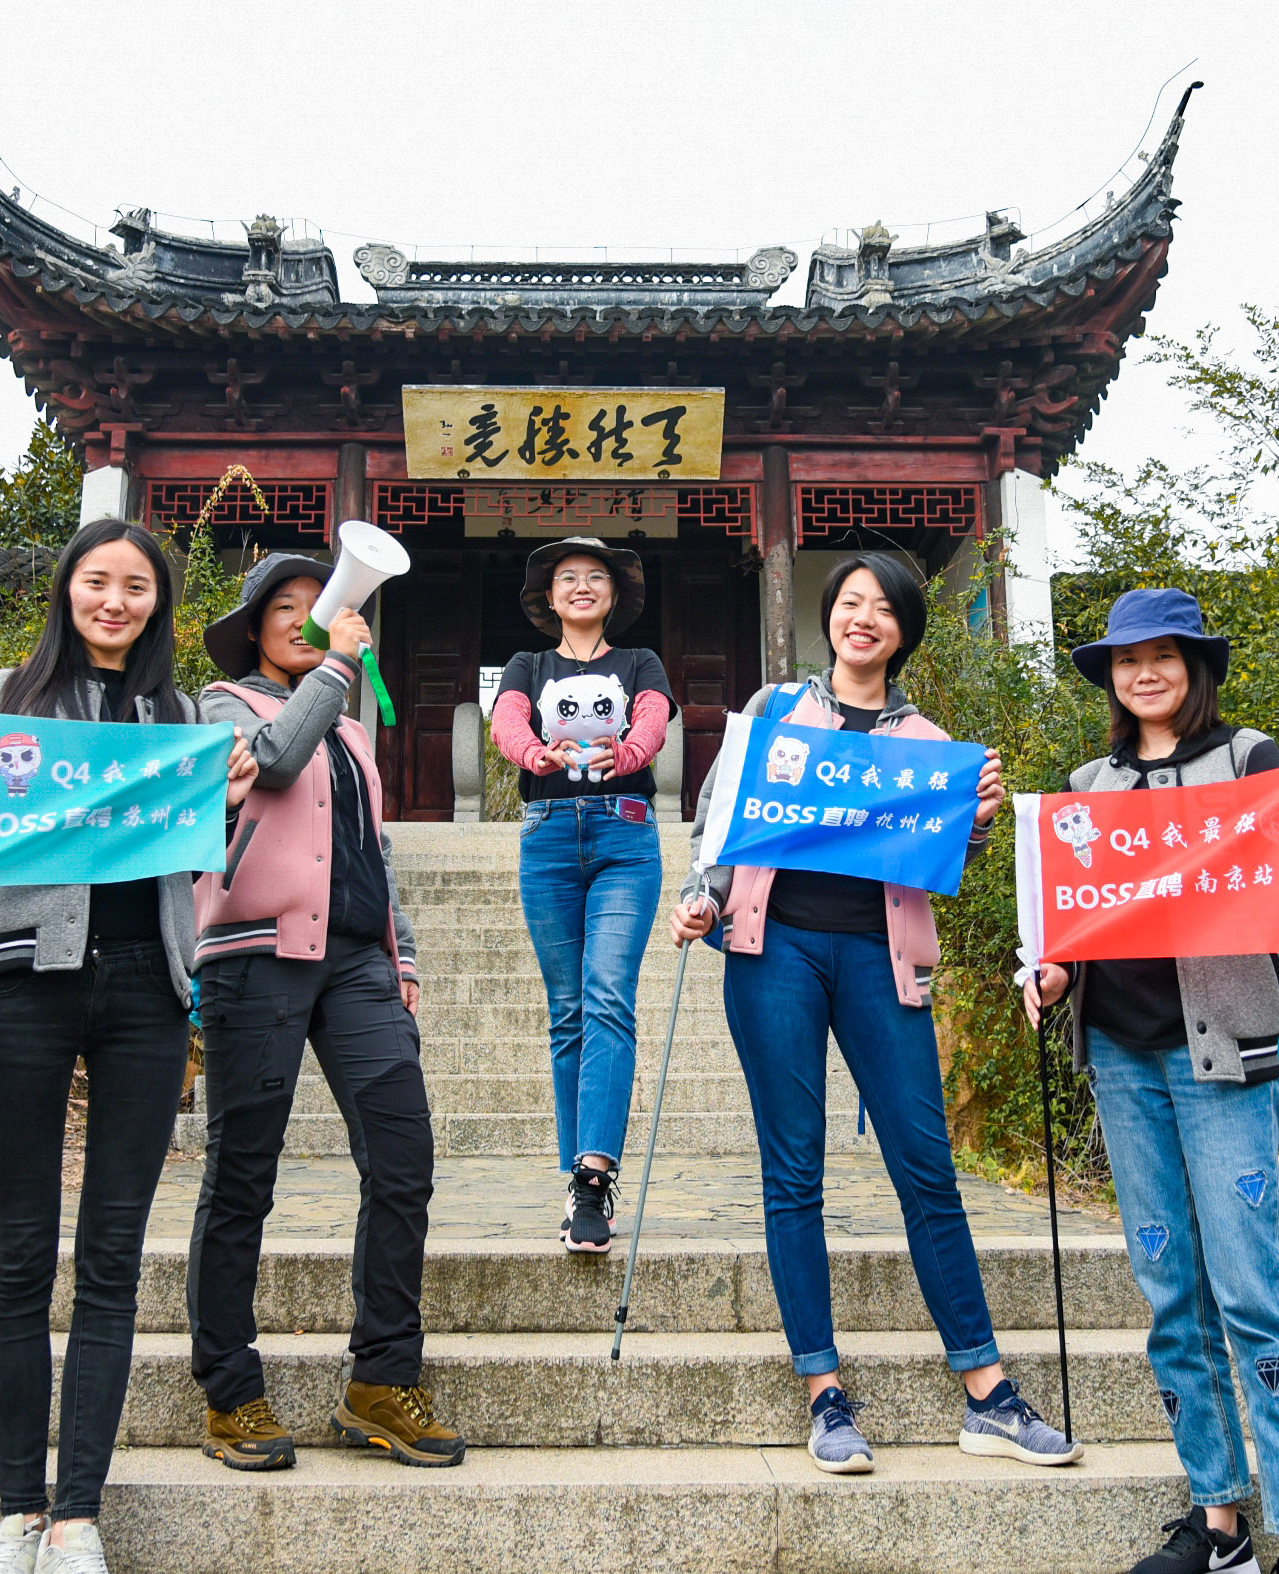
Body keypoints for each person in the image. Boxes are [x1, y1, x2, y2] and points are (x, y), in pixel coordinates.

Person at [0, 518, 260, 1574]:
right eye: (97, 582)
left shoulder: (183, 717)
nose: (115, 601)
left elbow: (205, 860)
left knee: (111, 1260)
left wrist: (229, 798)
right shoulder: (7, 699)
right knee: (21, 1257)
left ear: (159, 604)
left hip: (146, 993)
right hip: (24, 984)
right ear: (66, 590)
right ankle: (15, 1516)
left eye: (136, 587)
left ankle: (75, 1530)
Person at [670, 549, 1078, 1476]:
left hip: (879, 961)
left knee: (927, 1169)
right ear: (830, 615)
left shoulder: (932, 744)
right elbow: (720, 822)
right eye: (850, 601)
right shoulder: (775, 711)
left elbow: (946, 860)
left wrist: (976, 821)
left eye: (883, 608)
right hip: (771, 952)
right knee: (794, 1172)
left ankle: (988, 1393)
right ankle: (824, 1393)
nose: (863, 618)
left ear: (903, 632)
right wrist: (701, 897)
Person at [1018, 586, 1279, 1574]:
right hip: (1122, 1055)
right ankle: (1219, 1520)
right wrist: (1049, 972)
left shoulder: (1249, 761)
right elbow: (1076, 916)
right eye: (1127, 661)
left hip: (1223, 1053)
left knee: (1251, 1290)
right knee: (1169, 1288)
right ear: (1111, 679)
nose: (1145, 674)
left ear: (1195, 667)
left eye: (1163, 656)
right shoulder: (1089, 786)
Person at [182, 551, 466, 1471]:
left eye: (326, 607)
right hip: (252, 957)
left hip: (356, 965)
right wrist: (338, 665)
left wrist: (401, 950)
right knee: (243, 1176)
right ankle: (230, 1390)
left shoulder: (349, 732)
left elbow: (369, 847)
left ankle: (382, 1378)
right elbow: (271, 763)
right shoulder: (220, 705)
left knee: (403, 1160)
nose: (310, 621)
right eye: (290, 609)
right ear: (254, 629)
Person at [487, 537, 675, 1252]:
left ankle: (595, 1179)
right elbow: (508, 720)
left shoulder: (641, 662)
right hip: (548, 837)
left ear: (615, 595)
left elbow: (652, 719)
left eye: (596, 577)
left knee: (607, 997)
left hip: (625, 835)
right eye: (568, 578)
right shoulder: (527, 665)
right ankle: (578, 1183)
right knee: (567, 1013)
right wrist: (533, 753)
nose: (582, 586)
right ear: (549, 596)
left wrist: (626, 753)